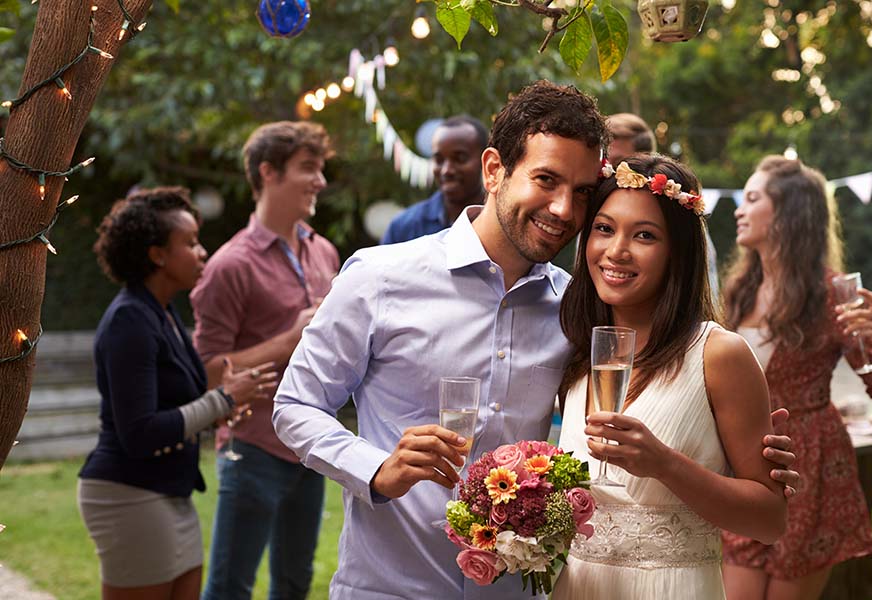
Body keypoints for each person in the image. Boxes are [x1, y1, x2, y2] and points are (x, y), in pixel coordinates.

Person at [272, 81, 799, 600]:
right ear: (494, 169)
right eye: (546, 180)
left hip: (518, 592)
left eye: (581, 193)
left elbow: (674, 403)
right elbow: (295, 405)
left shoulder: (577, 312)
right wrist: (376, 468)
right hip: (389, 586)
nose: (565, 210)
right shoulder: (380, 277)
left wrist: (746, 453)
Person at [551, 154, 786, 599]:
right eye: (604, 228)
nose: (617, 250)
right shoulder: (578, 351)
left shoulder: (719, 354)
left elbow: (770, 521)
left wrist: (664, 464)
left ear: (677, 251)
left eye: (644, 235)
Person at [77, 187, 275, 600]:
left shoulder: (161, 312)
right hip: (129, 494)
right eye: (190, 243)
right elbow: (140, 432)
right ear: (157, 255)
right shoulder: (130, 320)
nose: (203, 252)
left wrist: (218, 411)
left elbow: (174, 406)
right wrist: (223, 400)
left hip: (170, 491)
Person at [720, 156, 872, 599]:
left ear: (788, 213)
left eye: (754, 198)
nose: (740, 209)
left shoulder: (834, 294)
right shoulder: (739, 291)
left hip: (811, 471)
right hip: (744, 466)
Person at [190, 121, 341, 600]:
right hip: (253, 447)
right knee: (229, 588)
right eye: (308, 169)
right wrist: (289, 338)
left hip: (312, 444)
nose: (320, 181)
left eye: (320, 169)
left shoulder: (324, 252)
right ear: (268, 172)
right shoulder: (228, 265)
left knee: (294, 585)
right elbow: (207, 371)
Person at [607, 112, 720, 299]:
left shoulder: (681, 221)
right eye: (605, 229)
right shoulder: (592, 215)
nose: (611, 174)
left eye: (620, 165)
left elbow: (704, 297)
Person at [380, 115, 487, 244]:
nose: (446, 170)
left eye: (460, 158)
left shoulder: (503, 223)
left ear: (486, 161)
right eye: (439, 160)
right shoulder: (403, 227)